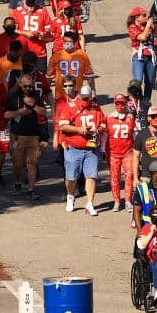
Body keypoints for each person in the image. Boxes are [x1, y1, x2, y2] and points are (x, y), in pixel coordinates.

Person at [58, 84, 106, 216]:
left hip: (91, 148)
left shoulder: (96, 108)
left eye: (87, 98)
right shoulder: (71, 108)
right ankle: (70, 196)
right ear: (79, 95)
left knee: (91, 176)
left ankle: (89, 203)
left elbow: (103, 124)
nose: (85, 100)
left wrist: (97, 130)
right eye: (83, 97)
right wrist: (78, 129)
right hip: (73, 148)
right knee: (71, 177)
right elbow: (62, 126)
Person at [4, 76, 48, 200]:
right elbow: (6, 114)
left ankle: (31, 190)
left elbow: (44, 112)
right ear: (20, 84)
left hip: (33, 136)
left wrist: (33, 106)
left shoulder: (36, 96)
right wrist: (19, 112)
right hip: (17, 136)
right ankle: (17, 183)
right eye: (25, 86)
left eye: (30, 86)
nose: (28, 88)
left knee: (32, 163)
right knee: (17, 164)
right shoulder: (13, 96)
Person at [106, 94, 137, 213]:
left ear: (125, 104)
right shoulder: (108, 118)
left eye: (122, 104)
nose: (120, 106)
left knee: (129, 176)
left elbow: (135, 134)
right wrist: (103, 149)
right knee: (115, 178)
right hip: (113, 153)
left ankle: (128, 200)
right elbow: (105, 135)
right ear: (114, 105)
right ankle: (117, 201)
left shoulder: (130, 118)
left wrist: (137, 150)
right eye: (117, 104)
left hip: (128, 152)